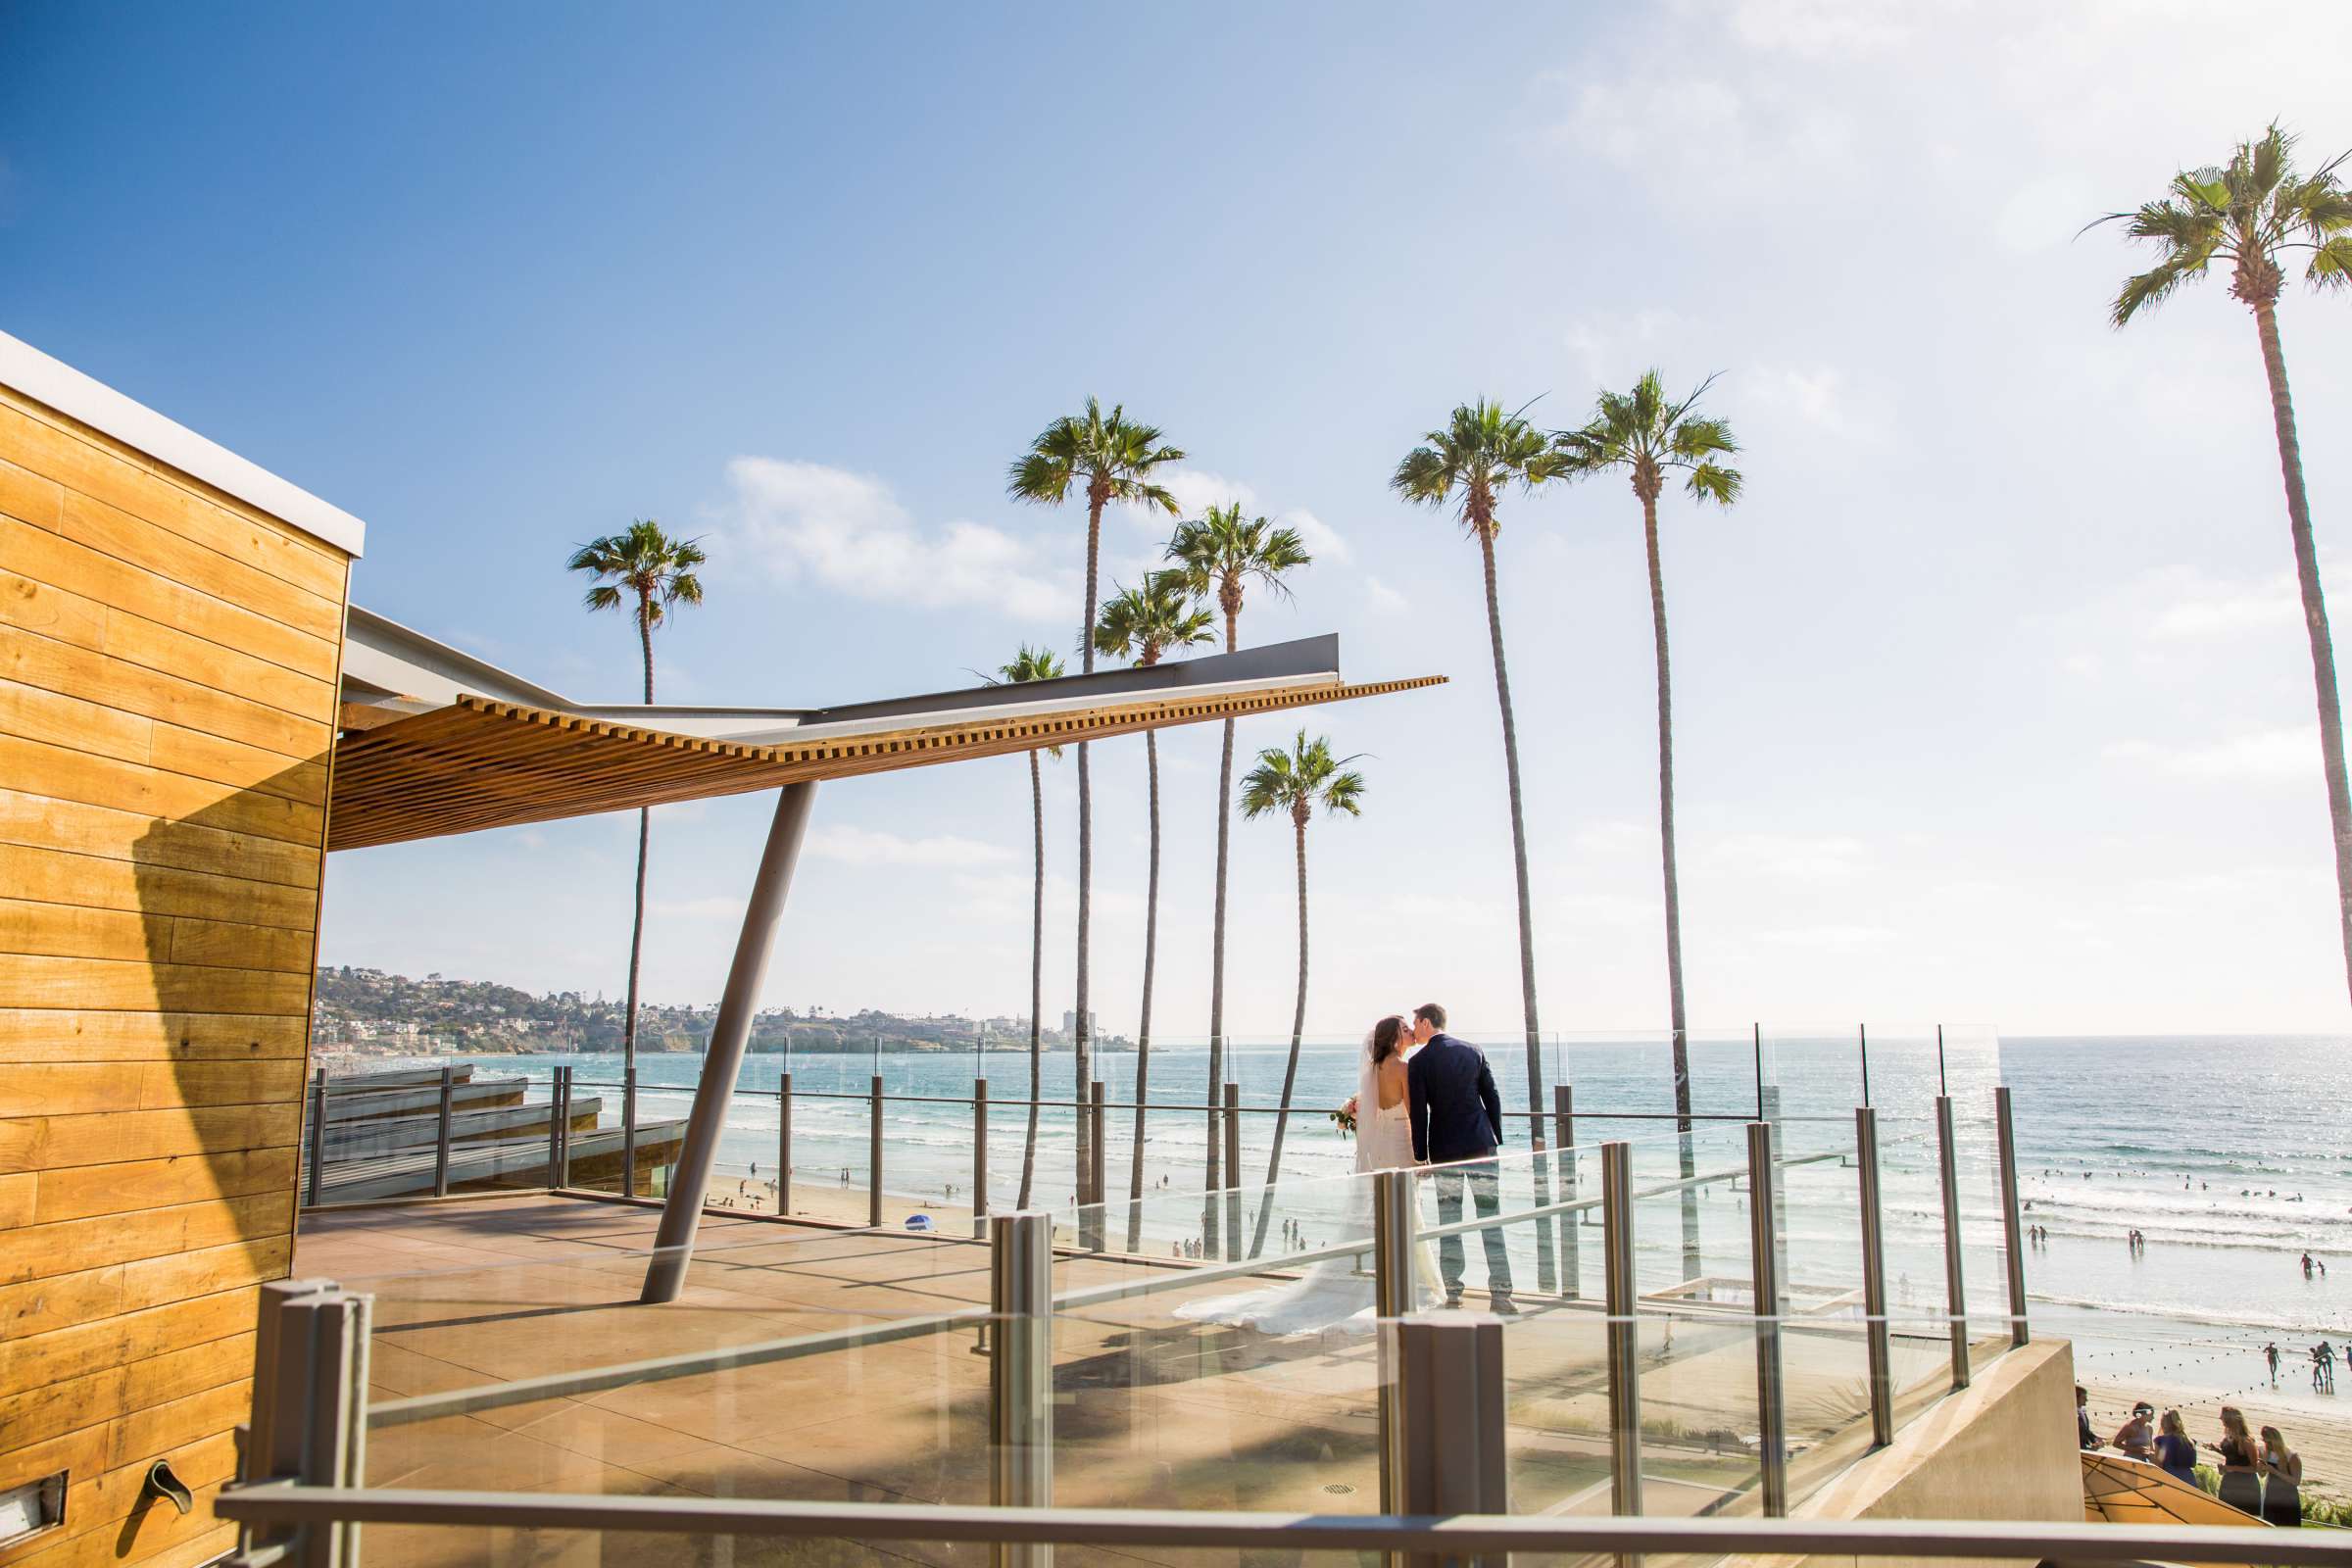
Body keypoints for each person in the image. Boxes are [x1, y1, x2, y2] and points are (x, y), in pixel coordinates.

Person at [1176, 1014, 1441, 1334]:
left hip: (1380, 1147)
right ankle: (1409, 1281)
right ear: (1395, 1037)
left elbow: (1374, 1112)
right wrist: (1420, 1156)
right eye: (1405, 1030)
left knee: (1384, 1211)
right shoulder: (1403, 1068)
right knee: (1406, 1211)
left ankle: (1381, 1276)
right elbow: (1413, 1113)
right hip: (1399, 1143)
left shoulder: (1373, 1070)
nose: (1410, 1032)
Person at [1406, 1003, 1516, 1313]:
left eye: (1416, 1023)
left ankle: (1453, 1292)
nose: (1414, 1030)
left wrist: (1420, 1156)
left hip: (1445, 1151)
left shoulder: (1420, 1061)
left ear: (1426, 1022)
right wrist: (1494, 1136)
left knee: (1449, 1222)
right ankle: (1501, 1294)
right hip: (1482, 1145)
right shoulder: (1473, 1051)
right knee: (1491, 1217)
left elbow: (1419, 1114)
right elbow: (1491, 1096)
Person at [2209, 1406, 2262, 1516]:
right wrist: (2217, 1450)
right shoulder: (2229, 1436)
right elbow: (2234, 1457)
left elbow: (2254, 1468)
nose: (2221, 1421)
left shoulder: (2246, 1440)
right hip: (2229, 1482)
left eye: (2223, 1419)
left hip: (2245, 1485)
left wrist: (2229, 1468)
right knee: (2225, 1515)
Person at [2259, 1425, 2302, 1526]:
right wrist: (2262, 1464)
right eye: (2264, 1441)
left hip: (2288, 1497)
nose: (2266, 1444)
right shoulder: (2263, 1451)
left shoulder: (2291, 1455)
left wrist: (2275, 1472)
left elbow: (2296, 1481)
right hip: (2271, 1494)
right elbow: (2261, 1475)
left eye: (2268, 1442)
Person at [2155, 1409, 2198, 1485]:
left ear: (2163, 1423)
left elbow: (2159, 1463)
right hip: (2189, 1480)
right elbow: (2193, 1464)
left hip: (2170, 1479)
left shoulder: (2162, 1441)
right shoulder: (2189, 1441)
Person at [2076, 1386, 2096, 1450]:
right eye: (2084, 1397)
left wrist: (2095, 1441)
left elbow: (2086, 1431)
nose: (2086, 1400)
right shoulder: (2071, 1414)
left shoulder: (2082, 1412)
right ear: (2076, 1398)